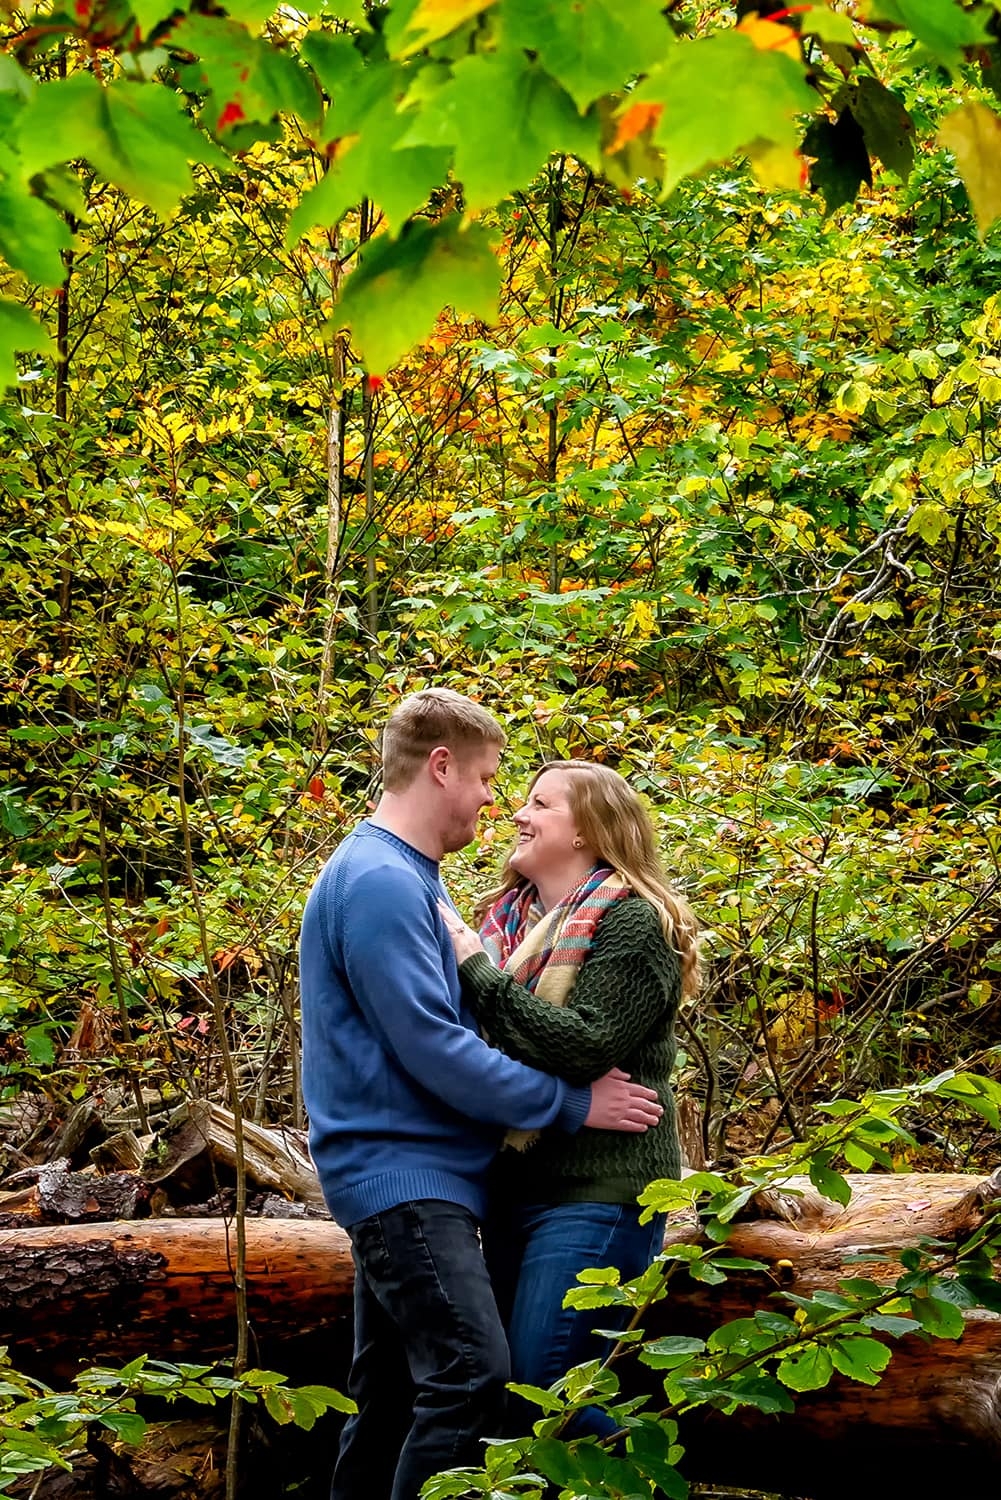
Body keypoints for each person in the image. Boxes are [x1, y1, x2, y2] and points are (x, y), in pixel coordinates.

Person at [299, 692, 663, 1500]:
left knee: (392, 1396)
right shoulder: (380, 881)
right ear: (440, 767)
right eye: (492, 779)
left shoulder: (404, 879)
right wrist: (569, 1105)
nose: (496, 801)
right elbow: (435, 1047)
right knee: (472, 1374)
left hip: (426, 1177)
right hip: (406, 1178)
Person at [438, 759, 701, 1437]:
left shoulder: (634, 921)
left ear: (587, 828)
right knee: (502, 1393)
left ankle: (647, 1469)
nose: (518, 814)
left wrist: (477, 975)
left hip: (598, 1188)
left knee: (541, 1393)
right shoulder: (507, 923)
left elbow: (587, 1045)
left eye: (540, 804)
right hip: (511, 1184)